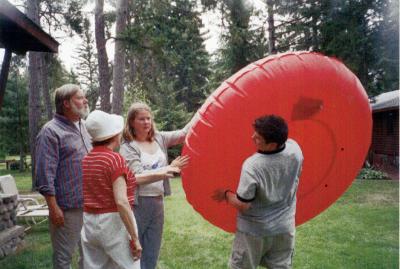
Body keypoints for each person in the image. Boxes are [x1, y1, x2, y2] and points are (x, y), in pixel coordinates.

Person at [213, 115, 304, 269]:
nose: (252, 137)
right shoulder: (295, 149)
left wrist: (226, 194)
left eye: (258, 137)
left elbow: (243, 205)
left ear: (272, 144)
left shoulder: (253, 166)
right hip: (284, 228)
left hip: (255, 232)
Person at [119, 102, 196, 269]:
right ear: (132, 122)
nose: (146, 122)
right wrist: (168, 168)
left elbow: (183, 133)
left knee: (153, 249)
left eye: (148, 118)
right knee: (134, 249)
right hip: (138, 204)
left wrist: (204, 110)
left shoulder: (159, 138)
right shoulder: (128, 146)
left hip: (158, 202)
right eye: (141, 119)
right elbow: (136, 177)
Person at [35, 84, 91, 269]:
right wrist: (53, 207)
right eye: (80, 98)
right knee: (63, 258)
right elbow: (44, 174)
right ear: (66, 103)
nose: (85, 101)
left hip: (89, 205)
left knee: (89, 255)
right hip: (66, 208)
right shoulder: (50, 132)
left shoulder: (83, 126)